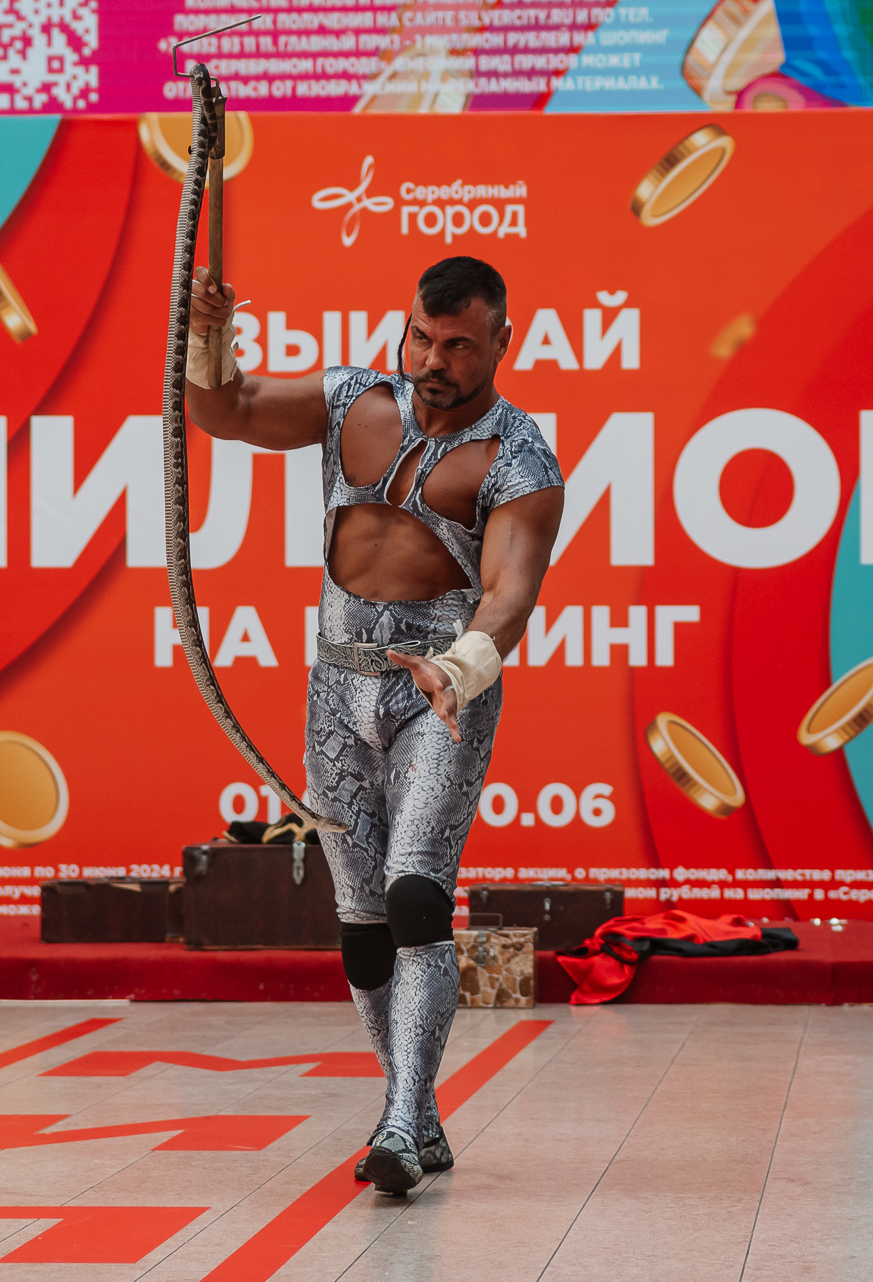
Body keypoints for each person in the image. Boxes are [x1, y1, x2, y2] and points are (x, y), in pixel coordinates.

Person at [185, 256, 564, 1193]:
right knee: (360, 925)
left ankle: (397, 1125)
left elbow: (510, 594)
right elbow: (227, 410)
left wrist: (460, 669)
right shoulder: (354, 401)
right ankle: (415, 1111)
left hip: (441, 696)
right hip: (336, 692)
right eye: (421, 338)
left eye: (459, 346)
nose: (434, 361)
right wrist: (206, 335)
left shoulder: (520, 457)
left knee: (417, 899)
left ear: (502, 343)